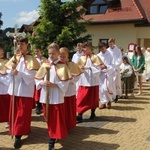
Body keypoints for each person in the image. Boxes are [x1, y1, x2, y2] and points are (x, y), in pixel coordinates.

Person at [35, 42, 72, 150]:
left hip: (56, 96)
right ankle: (53, 135)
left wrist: (54, 85)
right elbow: (37, 79)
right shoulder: (45, 65)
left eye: (53, 54)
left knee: (55, 119)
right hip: (45, 96)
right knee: (48, 118)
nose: (51, 56)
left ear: (58, 54)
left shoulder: (62, 66)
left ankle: (51, 140)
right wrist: (41, 83)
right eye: (50, 53)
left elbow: (65, 83)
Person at [5, 37, 40, 149]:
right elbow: (7, 70)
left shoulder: (32, 59)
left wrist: (19, 73)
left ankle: (18, 136)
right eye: (18, 44)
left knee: (22, 114)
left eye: (22, 44)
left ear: (27, 45)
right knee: (15, 113)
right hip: (14, 90)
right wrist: (11, 71)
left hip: (25, 90)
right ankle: (17, 130)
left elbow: (32, 75)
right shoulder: (15, 57)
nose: (19, 46)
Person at [76, 42, 103, 123]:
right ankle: (80, 114)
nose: (84, 49)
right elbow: (78, 68)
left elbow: (99, 69)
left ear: (90, 48)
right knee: (81, 98)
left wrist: (90, 68)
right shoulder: (81, 58)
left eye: (85, 48)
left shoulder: (95, 57)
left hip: (93, 81)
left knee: (93, 99)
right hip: (84, 81)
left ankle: (93, 112)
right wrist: (81, 68)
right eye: (83, 48)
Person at [59, 47, 83, 130]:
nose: (62, 58)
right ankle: (62, 125)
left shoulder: (72, 65)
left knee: (69, 110)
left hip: (69, 90)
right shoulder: (57, 65)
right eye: (60, 56)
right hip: (60, 91)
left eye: (64, 56)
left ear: (67, 55)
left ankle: (69, 125)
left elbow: (77, 76)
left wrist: (69, 80)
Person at [97, 42, 115, 109]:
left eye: (103, 48)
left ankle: (109, 101)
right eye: (101, 49)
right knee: (101, 89)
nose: (102, 50)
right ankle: (103, 102)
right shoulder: (98, 55)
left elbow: (113, 65)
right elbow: (96, 64)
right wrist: (99, 67)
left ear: (105, 47)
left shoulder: (110, 55)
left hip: (108, 73)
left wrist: (106, 66)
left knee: (106, 88)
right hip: (100, 74)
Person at [107, 38, 122, 102]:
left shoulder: (118, 50)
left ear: (114, 43)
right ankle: (110, 96)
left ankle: (116, 96)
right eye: (109, 44)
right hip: (109, 70)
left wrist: (114, 66)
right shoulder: (107, 50)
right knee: (110, 83)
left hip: (115, 69)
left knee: (116, 83)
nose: (110, 45)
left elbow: (119, 59)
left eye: (111, 44)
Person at [34, 46, 47, 114]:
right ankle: (37, 106)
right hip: (36, 77)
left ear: (40, 51)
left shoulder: (44, 59)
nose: (36, 52)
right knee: (36, 92)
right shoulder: (33, 59)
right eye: (35, 51)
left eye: (38, 51)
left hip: (42, 76)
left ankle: (41, 105)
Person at [0, 44, 10, 125]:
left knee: (6, 105)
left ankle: (8, 120)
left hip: (4, 88)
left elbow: (9, 76)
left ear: (2, 50)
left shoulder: (7, 62)